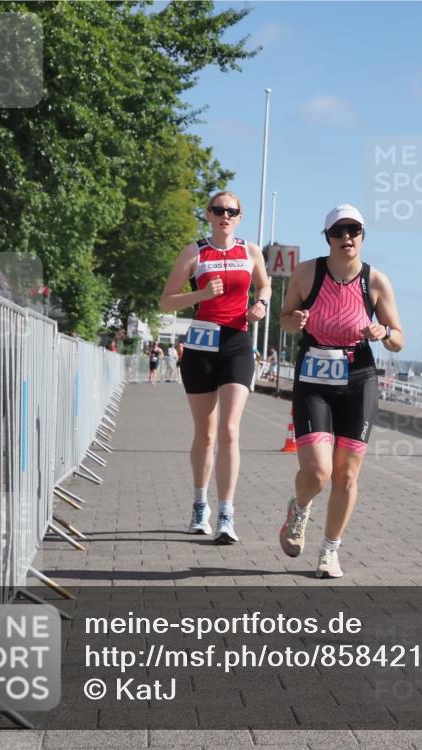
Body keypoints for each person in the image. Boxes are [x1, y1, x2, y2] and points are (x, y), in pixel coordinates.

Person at [278, 204, 403, 578]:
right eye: (339, 232)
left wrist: (384, 334)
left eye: (355, 231)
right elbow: (285, 320)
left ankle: (330, 550)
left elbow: (399, 338)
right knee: (318, 472)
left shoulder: (376, 281)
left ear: (363, 236)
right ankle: (298, 510)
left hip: (358, 376)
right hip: (314, 374)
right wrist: (295, 319)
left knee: (346, 475)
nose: (347, 238)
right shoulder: (306, 274)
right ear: (328, 237)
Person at [159, 191, 270, 544]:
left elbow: (264, 284)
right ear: (208, 214)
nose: (225, 215)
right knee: (205, 433)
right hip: (201, 346)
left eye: (232, 211)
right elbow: (165, 301)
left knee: (230, 431)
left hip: (237, 343)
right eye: (219, 210)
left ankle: (226, 514)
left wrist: (262, 304)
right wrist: (201, 295)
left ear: (239, 217)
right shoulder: (194, 253)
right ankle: (199, 504)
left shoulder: (250, 252)